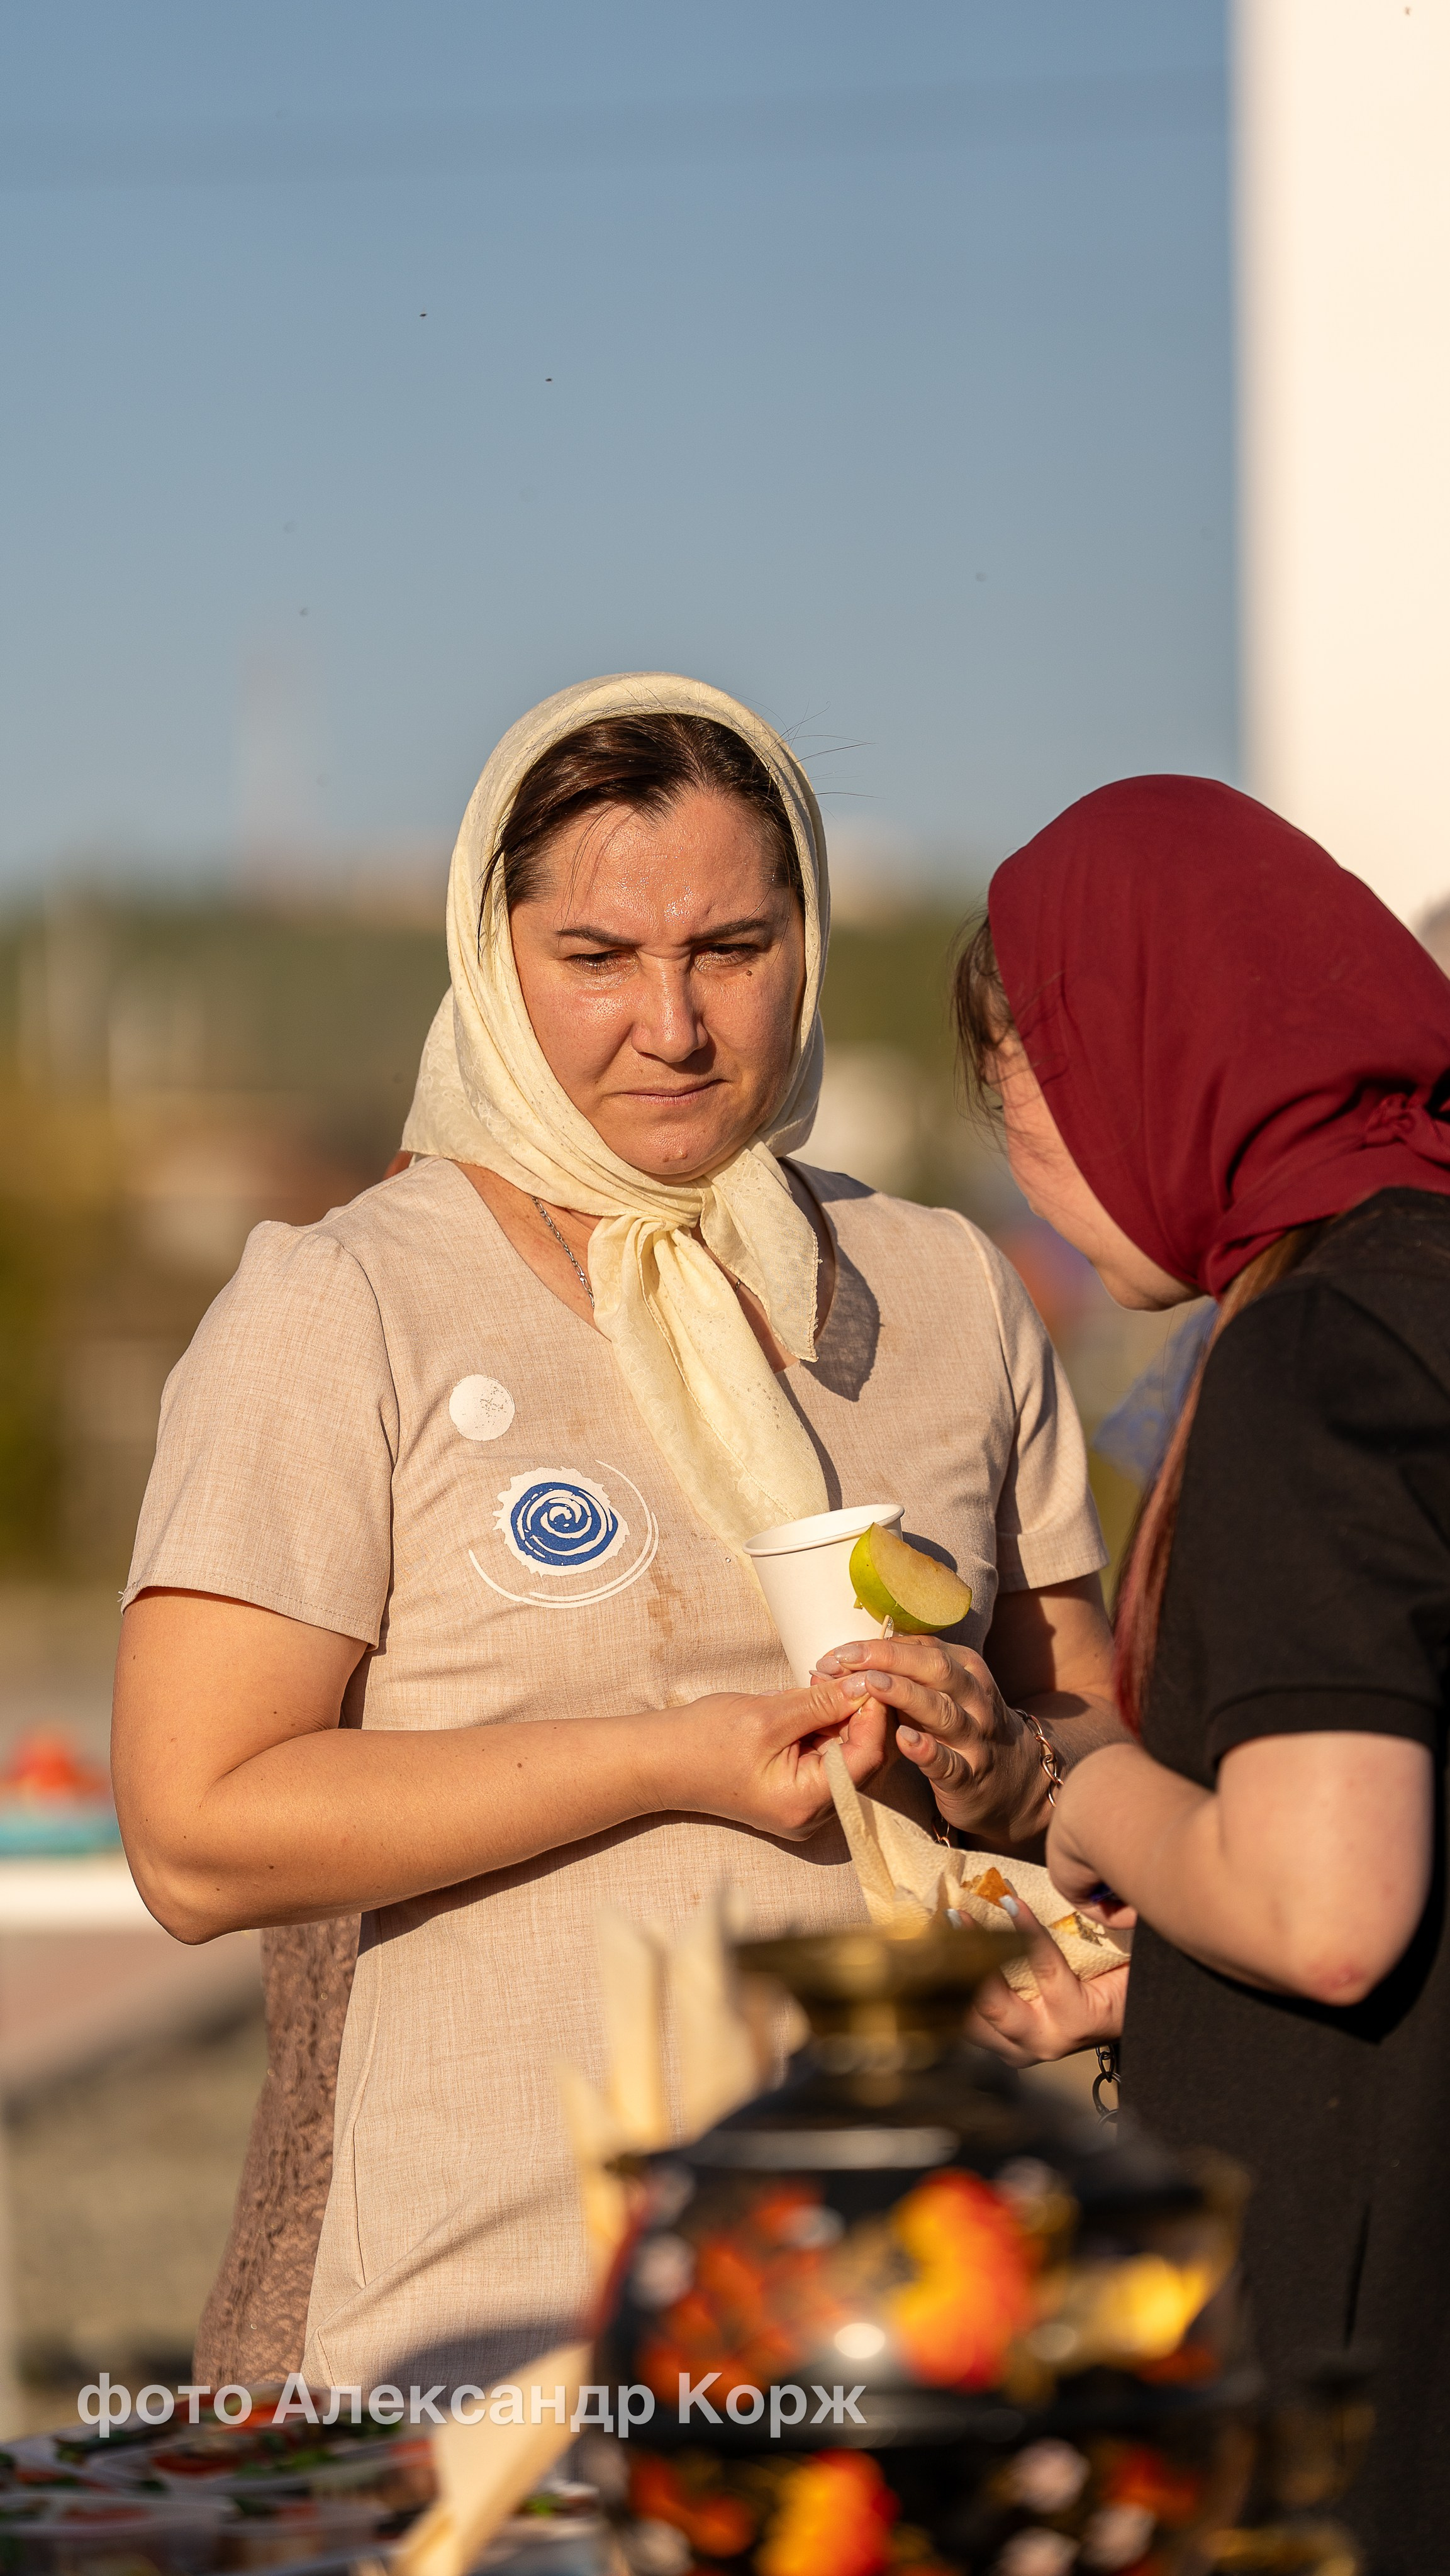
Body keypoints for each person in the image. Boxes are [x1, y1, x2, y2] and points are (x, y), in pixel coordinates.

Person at [112, 672, 1118, 2396]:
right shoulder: (347, 1307)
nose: (671, 1022)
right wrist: (673, 1759)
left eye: (728, 947)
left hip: (922, 2298)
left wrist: (1004, 1759)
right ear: (492, 959)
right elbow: (198, 1833)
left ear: (804, 941)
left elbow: (1102, 1740)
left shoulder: (946, 1292)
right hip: (507, 2323)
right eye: (596, 959)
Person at [876, 774, 1450, 2575]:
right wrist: (1169, 1989)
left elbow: (1331, 1908)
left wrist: (1061, 1777)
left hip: (1370, 2380)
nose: (1022, 1167)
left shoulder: (1311, 1361)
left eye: (1023, 1097)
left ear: (1153, 1051)